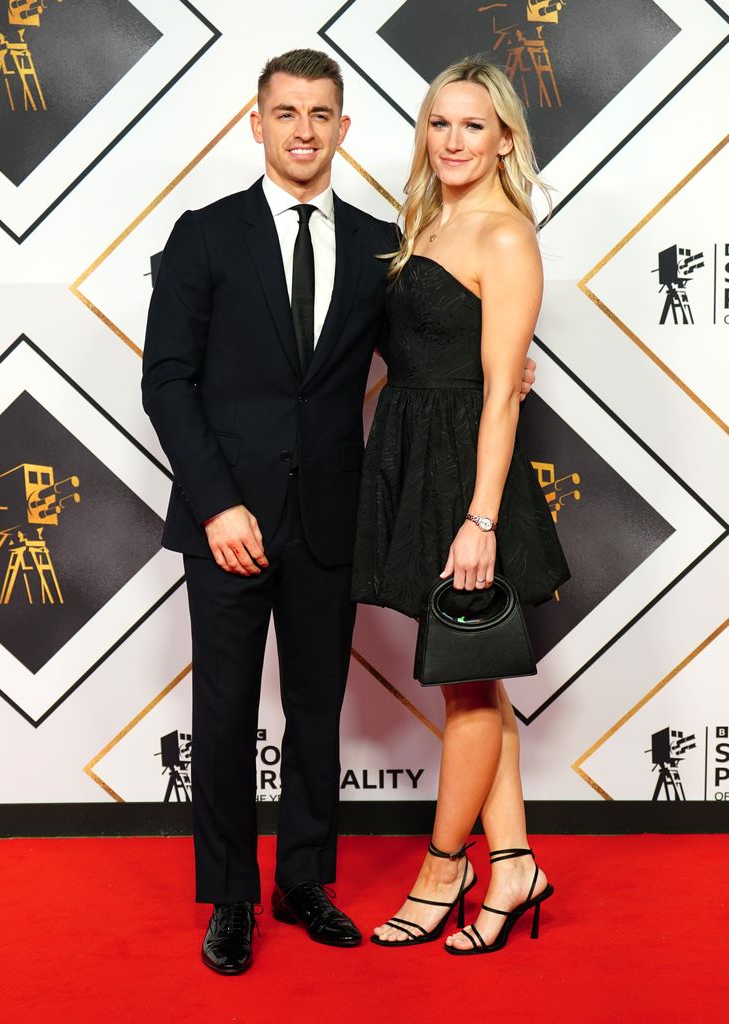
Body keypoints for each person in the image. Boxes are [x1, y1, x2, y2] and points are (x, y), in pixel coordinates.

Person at [142, 49, 536, 975]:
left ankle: (303, 881)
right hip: (225, 521)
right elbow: (165, 384)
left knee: (316, 708)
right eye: (286, 113)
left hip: (333, 514)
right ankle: (233, 898)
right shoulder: (203, 235)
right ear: (257, 123)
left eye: (322, 113)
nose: (304, 130)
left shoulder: (379, 247)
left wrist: (508, 366)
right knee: (226, 711)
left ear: (345, 129)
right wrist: (217, 506)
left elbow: (437, 350)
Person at [351, 57, 569, 955]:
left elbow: (498, 395)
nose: (451, 141)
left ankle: (446, 867)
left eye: (472, 126)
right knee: (472, 677)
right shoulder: (425, 220)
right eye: (439, 123)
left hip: (466, 473)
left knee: (467, 679)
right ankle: (513, 861)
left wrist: (479, 519)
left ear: (504, 138)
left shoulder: (505, 236)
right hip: (411, 454)